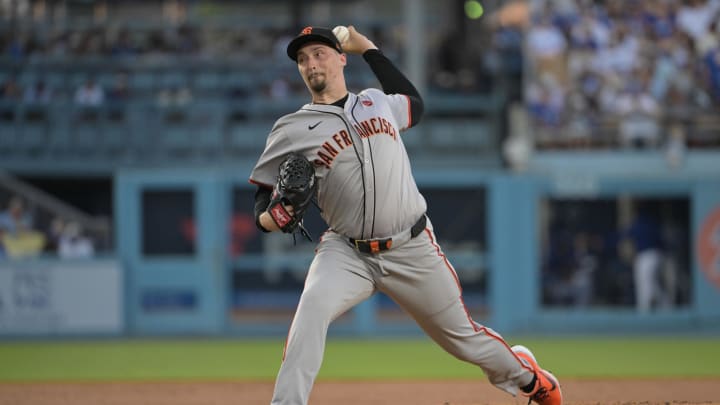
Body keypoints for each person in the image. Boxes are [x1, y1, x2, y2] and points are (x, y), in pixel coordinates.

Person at [249, 26, 562, 405]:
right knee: (310, 313)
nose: (311, 63)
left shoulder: (376, 102)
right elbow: (262, 201)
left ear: (340, 58)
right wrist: (272, 218)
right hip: (347, 253)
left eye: (319, 53)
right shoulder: (290, 129)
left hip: (411, 245)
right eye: (302, 59)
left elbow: (416, 102)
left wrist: (369, 49)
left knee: (463, 339)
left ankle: (531, 380)